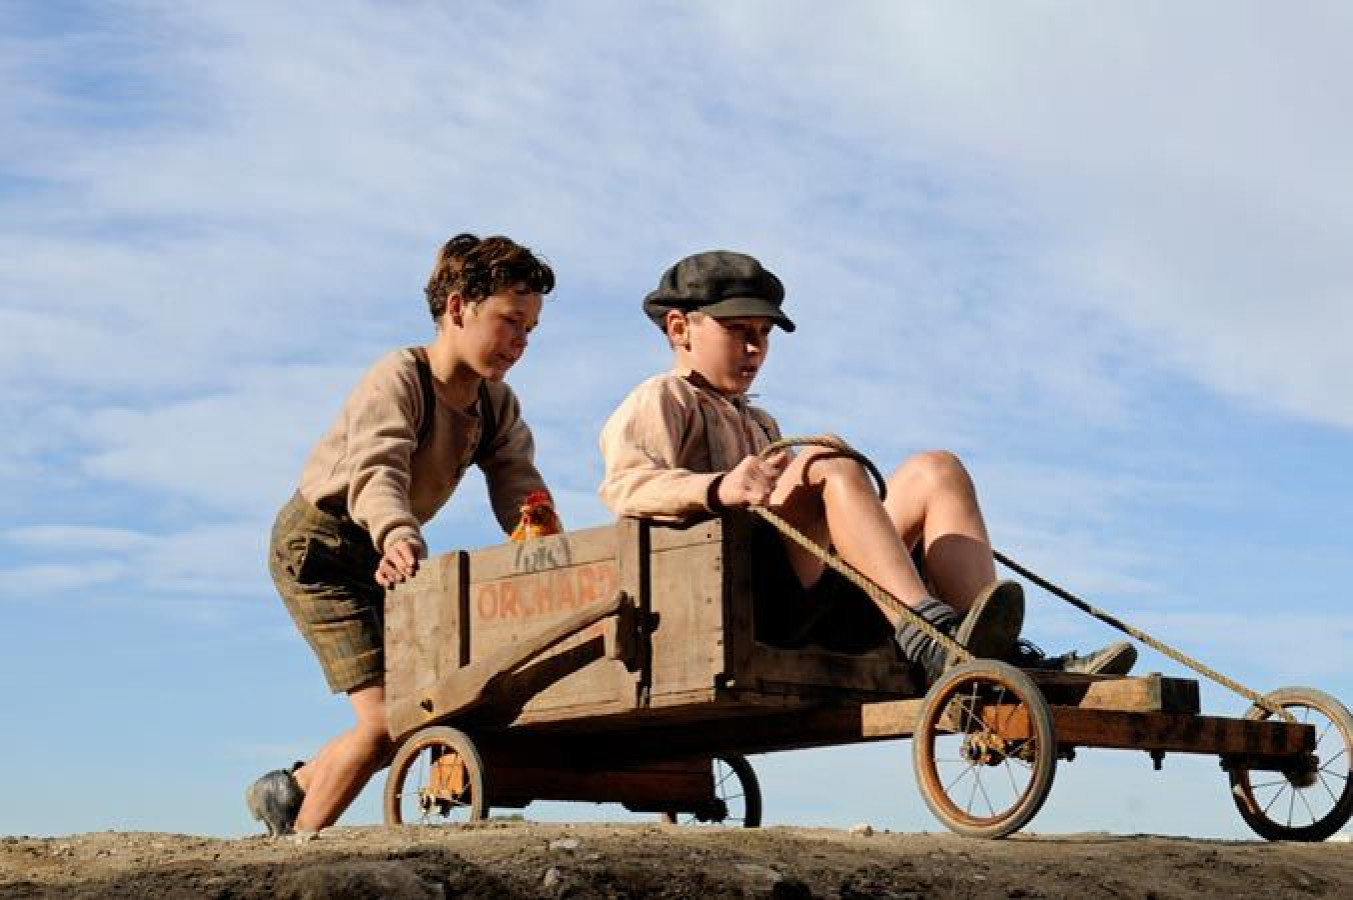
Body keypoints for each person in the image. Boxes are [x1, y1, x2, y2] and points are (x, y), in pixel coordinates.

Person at [598, 250, 1135, 687]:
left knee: (936, 470)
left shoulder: (759, 421)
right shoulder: (663, 397)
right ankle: (931, 636)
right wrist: (719, 487)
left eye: (763, 334)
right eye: (738, 329)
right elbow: (624, 485)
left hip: (823, 602)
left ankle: (991, 650)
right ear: (679, 328)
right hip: (742, 606)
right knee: (828, 458)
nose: (754, 348)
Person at [247, 233, 560, 838]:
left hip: (390, 551)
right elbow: (377, 469)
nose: (521, 341)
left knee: (424, 705)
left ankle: (293, 788)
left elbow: (520, 484)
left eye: (531, 329)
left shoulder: (496, 405)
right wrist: (397, 532)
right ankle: (296, 849)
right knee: (387, 721)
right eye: (510, 321)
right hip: (323, 548)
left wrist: (546, 541)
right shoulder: (399, 378)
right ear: (458, 308)